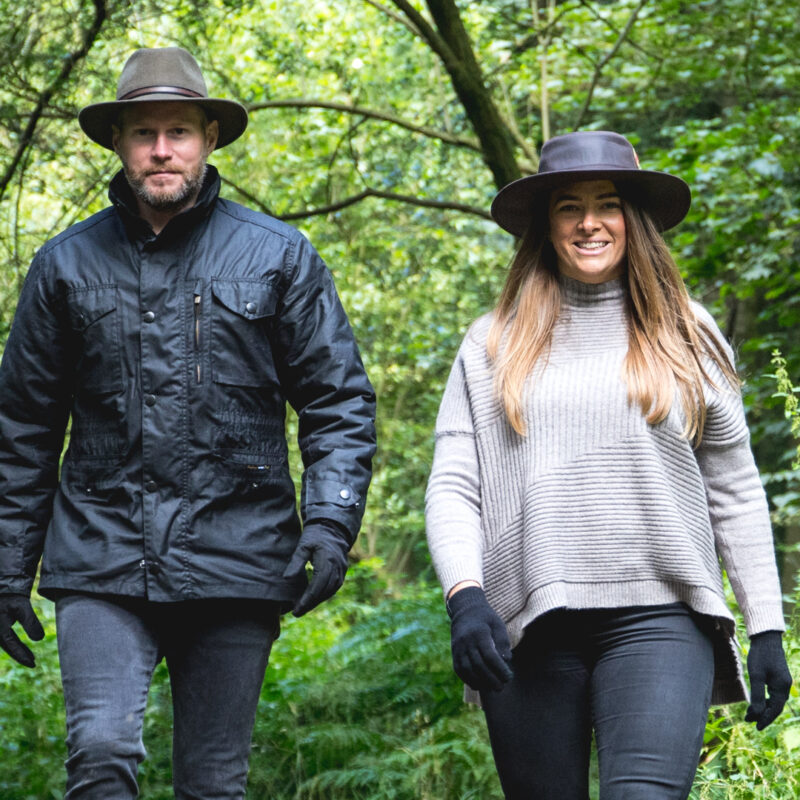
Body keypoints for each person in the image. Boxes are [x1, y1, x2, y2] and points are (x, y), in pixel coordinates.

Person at [0, 47, 376, 799]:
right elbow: (23, 428)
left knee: (212, 782)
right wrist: (8, 562)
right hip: (103, 555)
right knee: (100, 753)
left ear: (209, 137)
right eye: (144, 133)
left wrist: (331, 522)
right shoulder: (64, 266)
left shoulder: (279, 256)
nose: (161, 149)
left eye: (178, 131)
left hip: (239, 556)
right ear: (118, 143)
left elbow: (336, 401)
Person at [425, 130, 792, 799]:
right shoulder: (491, 342)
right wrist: (465, 597)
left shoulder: (689, 333)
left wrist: (766, 625)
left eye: (607, 204)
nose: (589, 222)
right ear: (547, 225)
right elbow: (454, 484)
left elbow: (734, 487)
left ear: (635, 220)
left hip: (662, 616)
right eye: (569, 206)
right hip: (529, 623)